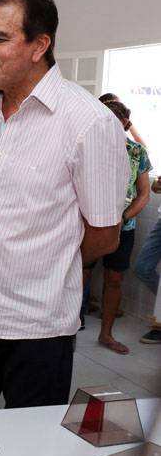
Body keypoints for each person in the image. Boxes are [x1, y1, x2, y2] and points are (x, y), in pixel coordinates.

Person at [0, 0, 128, 413]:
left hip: (37, 328)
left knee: (31, 445)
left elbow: (104, 236)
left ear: (40, 45)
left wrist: (44, 264)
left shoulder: (88, 122)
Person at [81, 100, 150, 354]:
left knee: (114, 279)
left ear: (123, 123)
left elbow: (144, 195)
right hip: (88, 226)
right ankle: (69, 333)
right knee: (79, 277)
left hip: (123, 227)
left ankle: (106, 334)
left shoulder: (137, 152)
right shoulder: (86, 146)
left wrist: (123, 218)